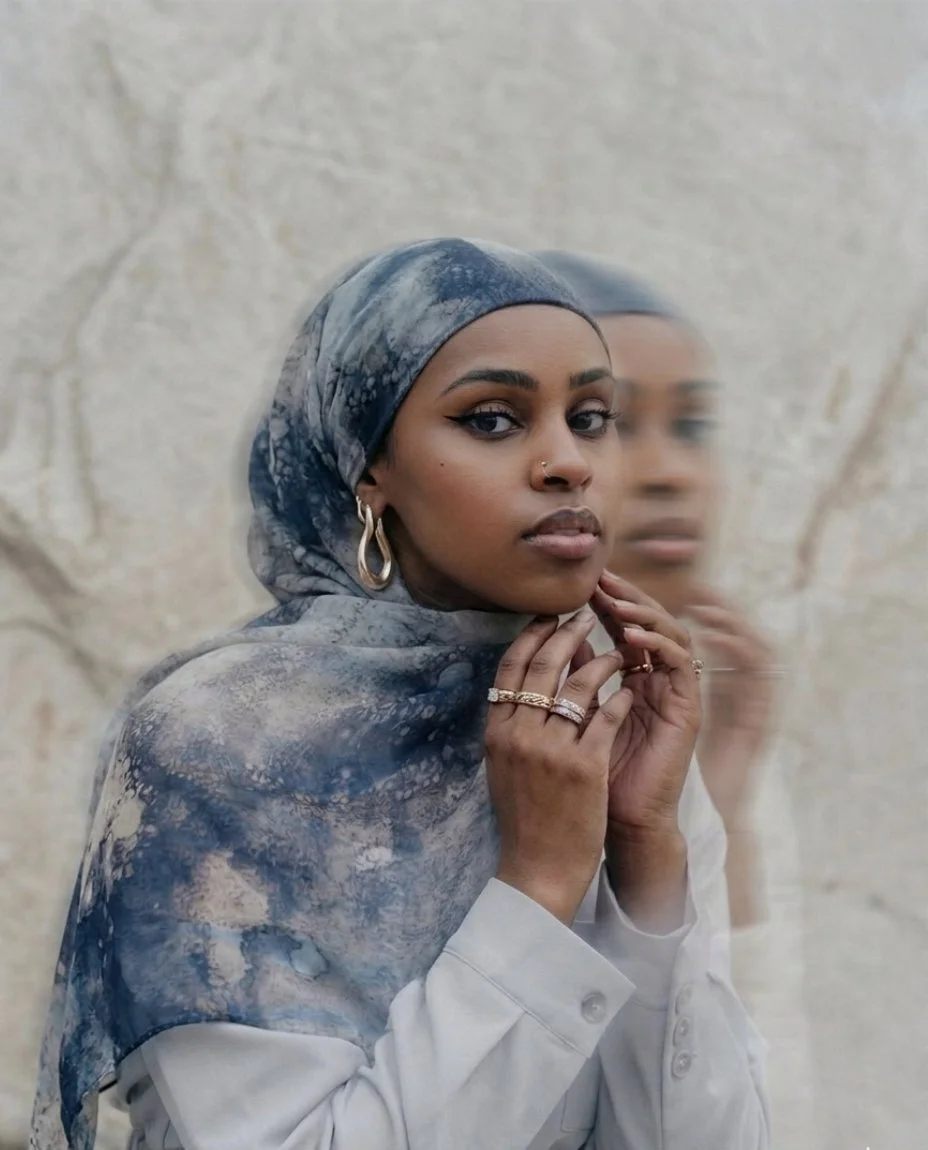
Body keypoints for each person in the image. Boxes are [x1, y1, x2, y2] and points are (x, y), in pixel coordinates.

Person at [32, 238, 768, 1150]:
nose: (567, 463)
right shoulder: (221, 746)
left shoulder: (601, 716)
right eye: (492, 419)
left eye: (589, 417)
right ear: (369, 469)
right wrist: (539, 884)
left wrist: (648, 853)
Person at [534, 249, 817, 1148]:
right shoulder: (483, 734)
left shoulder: (704, 717)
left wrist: (720, 806)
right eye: (606, 420)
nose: (671, 474)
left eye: (691, 426)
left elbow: (770, 1115)